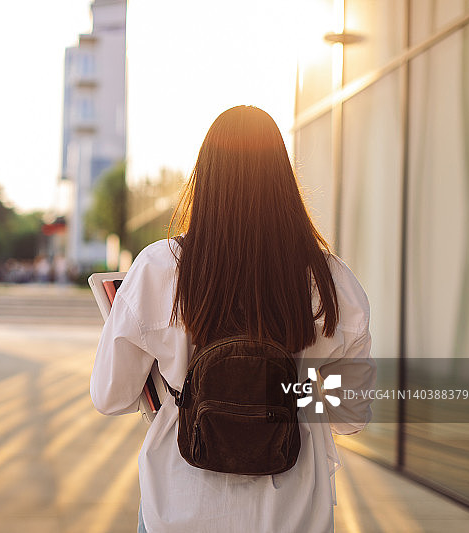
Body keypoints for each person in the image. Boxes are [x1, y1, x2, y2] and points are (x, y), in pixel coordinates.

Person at [90, 105, 376, 533]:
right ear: (284, 181)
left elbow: (109, 397)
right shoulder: (332, 281)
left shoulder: (158, 268)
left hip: (178, 507)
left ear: (204, 178)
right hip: (294, 515)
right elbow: (350, 416)